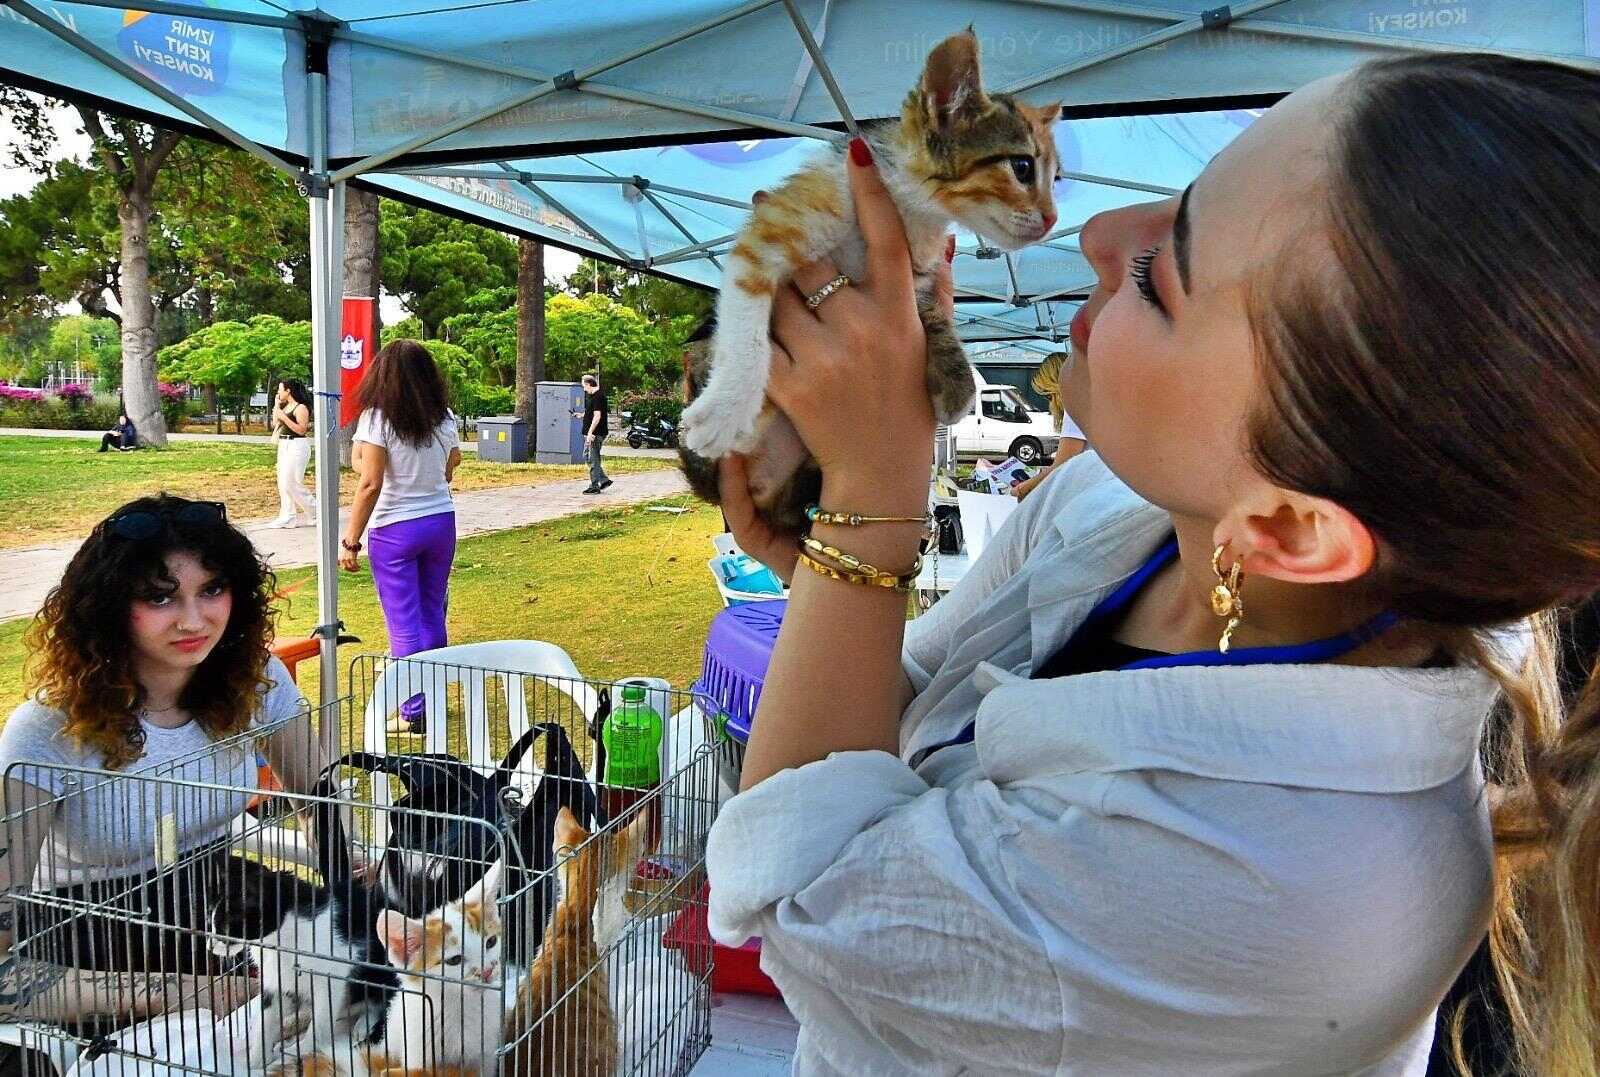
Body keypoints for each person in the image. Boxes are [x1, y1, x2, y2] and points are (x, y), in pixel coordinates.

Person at [703, 54, 1600, 1075]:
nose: (1093, 234)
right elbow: (911, 699)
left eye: (1161, 275)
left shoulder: (1277, 887)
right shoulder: (1123, 511)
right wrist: (835, 579)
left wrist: (870, 506)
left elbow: (798, 896)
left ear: (1291, 532)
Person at [0, 494, 333, 1028]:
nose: (194, 620)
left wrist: (353, 870)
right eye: (160, 598)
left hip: (219, 908)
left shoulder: (256, 679)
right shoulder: (45, 731)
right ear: (106, 607)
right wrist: (189, 993)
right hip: (90, 947)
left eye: (213, 590)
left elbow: (322, 803)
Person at [340, 340, 461, 733]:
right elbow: (452, 463)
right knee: (431, 613)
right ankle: (432, 698)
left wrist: (350, 540)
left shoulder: (378, 418)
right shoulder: (443, 417)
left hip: (395, 530)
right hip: (441, 522)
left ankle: (414, 713)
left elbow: (370, 481)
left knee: (404, 622)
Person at [1012, 351, 1086, 501]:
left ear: (1056, 387)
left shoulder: (1075, 408)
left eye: (1048, 395)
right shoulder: (1088, 401)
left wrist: (1023, 488)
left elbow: (1062, 466)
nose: (1050, 403)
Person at [267, 378, 316, 528]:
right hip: (284, 444)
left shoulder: (300, 408)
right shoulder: (285, 406)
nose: (278, 392)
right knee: (283, 483)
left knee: (291, 482)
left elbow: (302, 429)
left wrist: (284, 418)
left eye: (281, 389)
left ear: (288, 391)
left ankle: (315, 510)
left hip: (297, 445)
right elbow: (275, 424)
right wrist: (277, 407)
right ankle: (288, 516)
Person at [578, 373, 612, 494]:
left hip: (595, 434)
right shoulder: (594, 396)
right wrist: (582, 415)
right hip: (593, 433)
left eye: (584, 386)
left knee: (592, 458)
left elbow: (597, 416)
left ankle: (594, 486)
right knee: (588, 457)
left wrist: (590, 433)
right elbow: (592, 413)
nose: (584, 389)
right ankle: (603, 480)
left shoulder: (598, 396)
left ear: (588, 384)